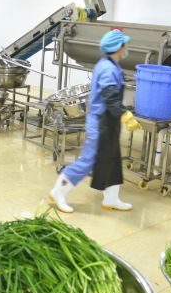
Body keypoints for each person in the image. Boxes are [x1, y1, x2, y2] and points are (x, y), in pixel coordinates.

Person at [47, 29, 142, 213]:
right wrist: (125, 114)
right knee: (89, 159)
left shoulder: (110, 64)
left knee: (112, 158)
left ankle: (111, 199)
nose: (126, 48)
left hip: (108, 120)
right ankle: (58, 191)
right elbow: (109, 96)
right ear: (118, 47)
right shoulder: (108, 68)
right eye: (125, 45)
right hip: (101, 121)